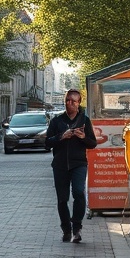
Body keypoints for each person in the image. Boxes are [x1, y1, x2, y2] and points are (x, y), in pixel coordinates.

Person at [45, 89, 97, 243]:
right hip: (60, 165)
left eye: (73, 101)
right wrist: (62, 136)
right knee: (62, 199)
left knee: (79, 193)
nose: (69, 103)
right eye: (67, 100)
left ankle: (77, 228)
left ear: (79, 103)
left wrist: (83, 137)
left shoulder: (84, 120)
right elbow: (47, 143)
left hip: (78, 164)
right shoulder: (57, 121)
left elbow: (92, 144)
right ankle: (66, 229)